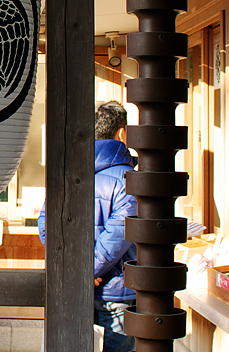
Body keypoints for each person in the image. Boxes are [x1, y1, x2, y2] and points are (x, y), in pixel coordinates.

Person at [92, 101, 138, 352]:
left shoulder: (71, 172)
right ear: (121, 133)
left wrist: (78, 270)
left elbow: (47, 223)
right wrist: (91, 271)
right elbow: (121, 232)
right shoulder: (127, 179)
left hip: (74, 287)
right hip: (115, 292)